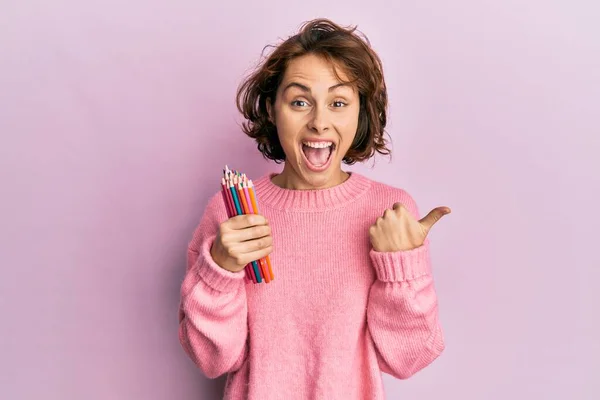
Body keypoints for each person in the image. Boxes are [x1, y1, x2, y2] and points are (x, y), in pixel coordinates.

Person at [178, 18, 451, 400]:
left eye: (338, 103)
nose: (319, 121)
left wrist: (402, 270)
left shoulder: (391, 212)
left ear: (360, 115)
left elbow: (409, 358)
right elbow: (211, 359)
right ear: (273, 110)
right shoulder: (232, 214)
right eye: (300, 101)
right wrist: (219, 270)